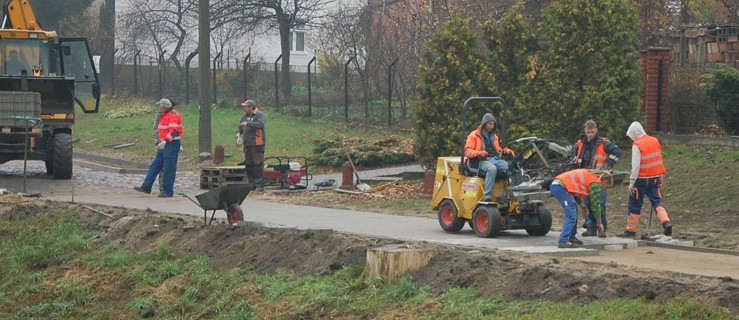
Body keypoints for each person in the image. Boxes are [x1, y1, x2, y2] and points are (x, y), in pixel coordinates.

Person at [618, 121, 672, 237]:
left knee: (635, 204)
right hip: (655, 179)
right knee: (657, 202)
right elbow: (658, 160)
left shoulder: (637, 145)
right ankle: (666, 222)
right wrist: (660, 177)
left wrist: (631, 182)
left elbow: (636, 166)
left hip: (641, 180)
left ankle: (631, 231)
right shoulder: (655, 140)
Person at [572, 120, 622, 237]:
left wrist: (608, 163)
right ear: (585, 131)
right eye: (588, 132)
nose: (590, 134)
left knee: (600, 203)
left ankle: (602, 228)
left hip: (599, 177)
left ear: (596, 130)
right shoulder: (579, 144)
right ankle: (592, 228)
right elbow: (574, 158)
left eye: (592, 132)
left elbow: (617, 152)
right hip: (585, 178)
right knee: (588, 204)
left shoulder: (603, 142)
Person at [550, 169, 613, 248]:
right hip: (560, 187)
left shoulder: (590, 177)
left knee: (573, 211)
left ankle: (571, 237)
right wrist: (599, 223)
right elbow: (596, 205)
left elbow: (575, 191)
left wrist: (583, 207)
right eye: (606, 187)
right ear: (605, 181)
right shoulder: (596, 184)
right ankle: (563, 240)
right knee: (571, 215)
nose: (603, 189)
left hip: (560, 186)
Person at [134, 98, 183, 197]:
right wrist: (160, 142)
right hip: (164, 144)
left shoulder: (173, 115)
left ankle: (167, 191)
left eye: (160, 106)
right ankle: (146, 186)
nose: (159, 108)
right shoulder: (164, 115)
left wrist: (165, 141)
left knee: (168, 168)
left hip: (171, 144)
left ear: (164, 107)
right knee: (155, 165)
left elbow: (174, 131)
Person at [464, 113, 515, 202]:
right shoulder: (473, 135)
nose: (492, 126)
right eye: (490, 124)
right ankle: (487, 196)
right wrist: (479, 153)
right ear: (484, 124)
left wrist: (506, 151)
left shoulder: (494, 137)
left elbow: (498, 150)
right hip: (478, 161)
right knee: (492, 169)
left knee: (512, 167)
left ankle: (512, 194)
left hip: (494, 159)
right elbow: (467, 152)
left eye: (493, 124)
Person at [236, 100, 265, 191]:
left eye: (245, 106)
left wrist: (248, 124)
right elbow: (240, 126)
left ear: (251, 107)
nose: (244, 108)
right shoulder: (245, 116)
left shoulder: (259, 115)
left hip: (257, 144)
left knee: (258, 163)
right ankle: (251, 183)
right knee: (249, 164)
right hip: (248, 144)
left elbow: (260, 125)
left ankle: (259, 184)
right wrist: (238, 133)